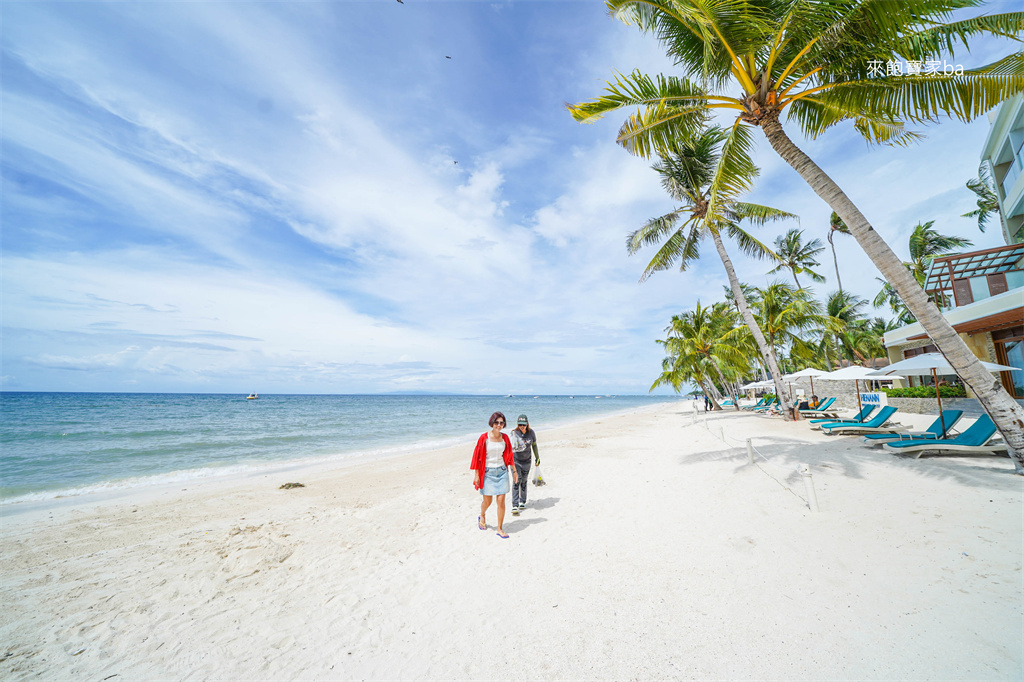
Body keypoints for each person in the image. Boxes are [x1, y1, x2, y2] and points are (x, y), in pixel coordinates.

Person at [470, 411, 518, 539]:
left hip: (502, 472)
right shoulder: (484, 437)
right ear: (492, 422)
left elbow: (509, 456)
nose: (499, 425)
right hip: (487, 473)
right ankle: (482, 515)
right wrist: (476, 475)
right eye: (496, 422)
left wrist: (514, 471)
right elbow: (476, 456)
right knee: (488, 501)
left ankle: (500, 529)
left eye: (501, 423)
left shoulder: (505, 438)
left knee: (501, 501)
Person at [509, 414, 539, 515]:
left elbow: (534, 445)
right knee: (516, 481)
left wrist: (537, 457)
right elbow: (509, 447)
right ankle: (515, 505)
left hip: (527, 460)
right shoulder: (514, 433)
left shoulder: (531, 433)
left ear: (527, 424)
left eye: (524, 424)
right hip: (515, 461)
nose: (522, 426)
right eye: (520, 424)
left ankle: (522, 501)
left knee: (524, 481)